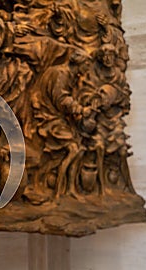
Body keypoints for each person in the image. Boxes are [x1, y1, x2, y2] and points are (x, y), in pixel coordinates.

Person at [31, 50, 92, 201]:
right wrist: (80, 109)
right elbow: (61, 99)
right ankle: (58, 192)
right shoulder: (61, 73)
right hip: (49, 118)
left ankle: (69, 189)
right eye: (86, 65)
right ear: (78, 64)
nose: (87, 70)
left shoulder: (67, 74)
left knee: (78, 149)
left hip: (57, 116)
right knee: (74, 149)